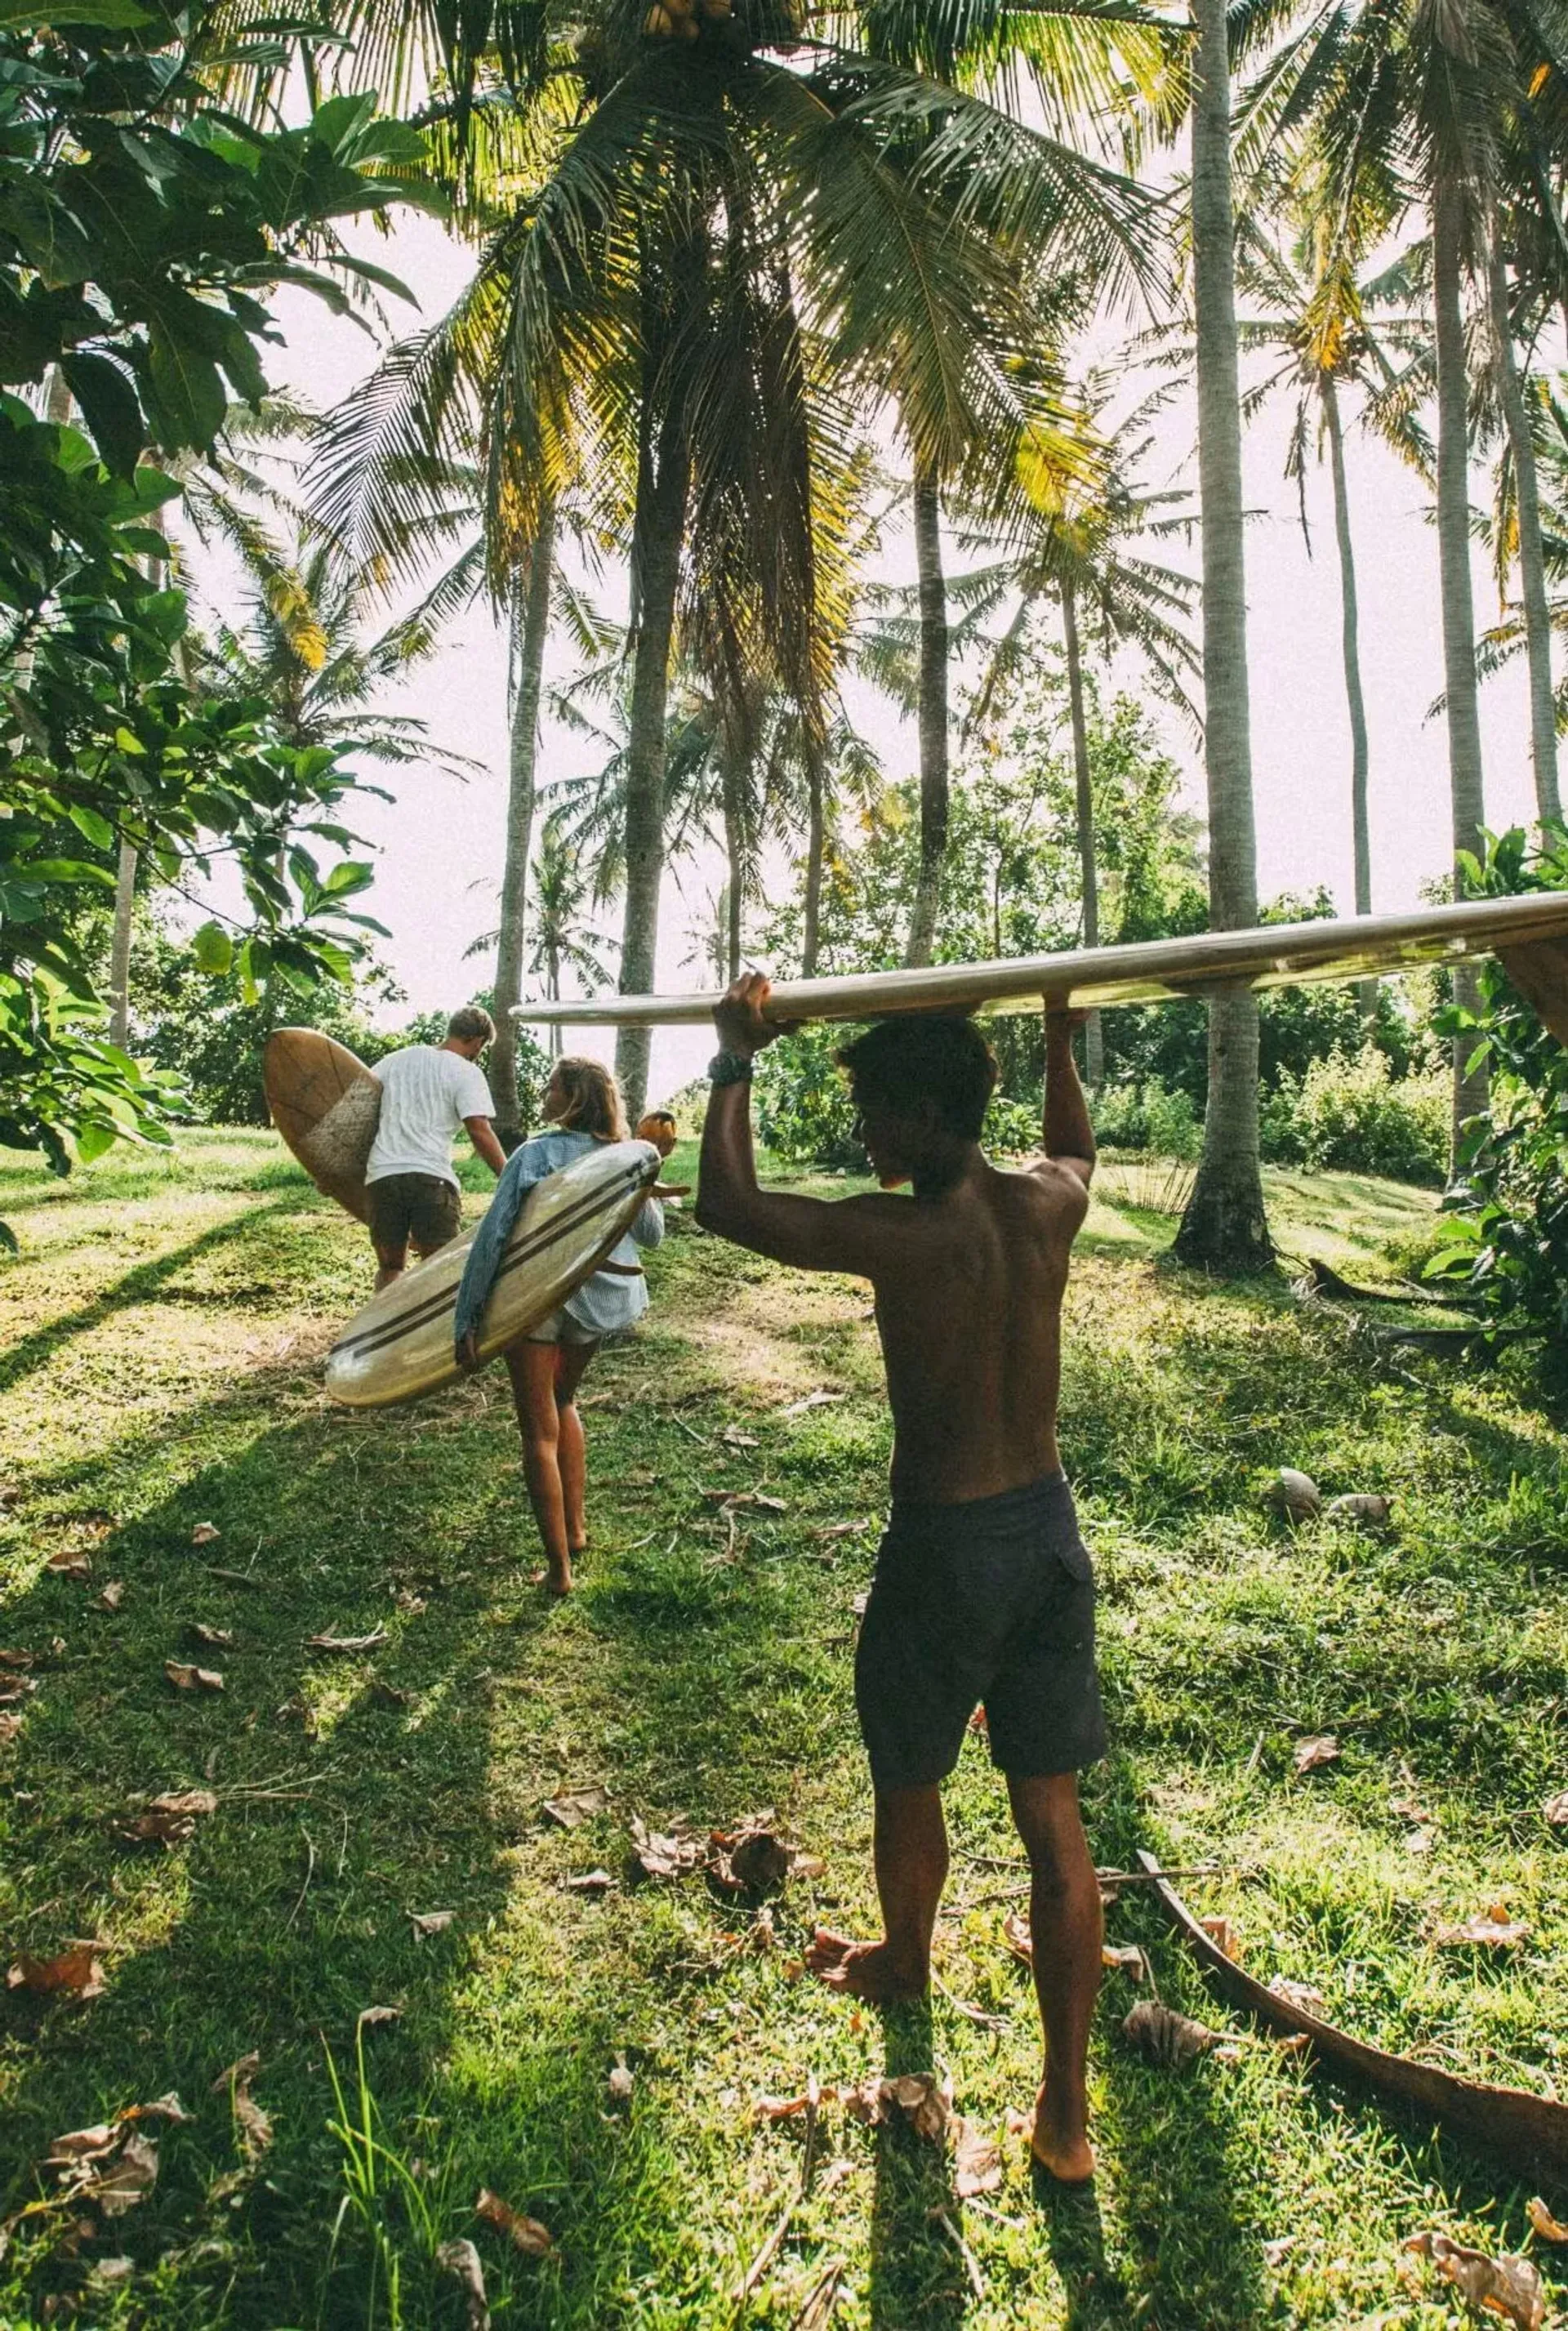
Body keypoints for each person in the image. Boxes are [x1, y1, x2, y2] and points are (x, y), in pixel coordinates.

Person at [695, 977, 1105, 2184]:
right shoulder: (1045, 1208)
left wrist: (733, 1057)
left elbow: (728, 1202)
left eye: (878, 1111)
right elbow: (1076, 1145)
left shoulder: (904, 1235)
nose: (867, 1136)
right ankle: (1066, 2118)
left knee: (908, 1772)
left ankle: (910, 1963)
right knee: (1054, 1816)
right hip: (1046, 1539)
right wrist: (1058, 1043)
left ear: (929, 1115)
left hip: (944, 1548)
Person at [453, 1057, 664, 1595]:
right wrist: (645, 1162)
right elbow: (652, 1234)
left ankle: (558, 1573)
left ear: (573, 1097)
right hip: (594, 1303)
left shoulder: (537, 1154)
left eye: (552, 1086)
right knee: (564, 1401)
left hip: (536, 1301)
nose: (545, 1093)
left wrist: (468, 1315)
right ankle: (575, 1532)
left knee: (537, 1432)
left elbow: (493, 1235)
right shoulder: (623, 1157)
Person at [365, 1007, 506, 1289]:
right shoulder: (467, 1072)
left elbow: (359, 1113)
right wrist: (509, 1174)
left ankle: (386, 1331)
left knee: (390, 1267)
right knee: (438, 1272)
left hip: (382, 1177)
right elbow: (479, 1129)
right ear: (478, 1041)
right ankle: (431, 1332)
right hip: (431, 1181)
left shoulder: (395, 1060)